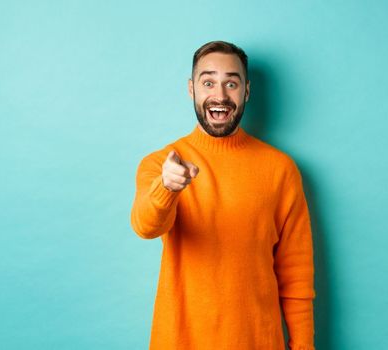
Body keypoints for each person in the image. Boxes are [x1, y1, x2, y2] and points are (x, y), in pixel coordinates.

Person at [129, 40, 316, 350]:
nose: (220, 95)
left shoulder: (280, 169)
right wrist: (167, 187)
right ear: (192, 89)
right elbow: (146, 226)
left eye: (231, 83)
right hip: (180, 341)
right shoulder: (161, 164)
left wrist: (303, 346)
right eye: (208, 82)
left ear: (246, 91)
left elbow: (295, 273)